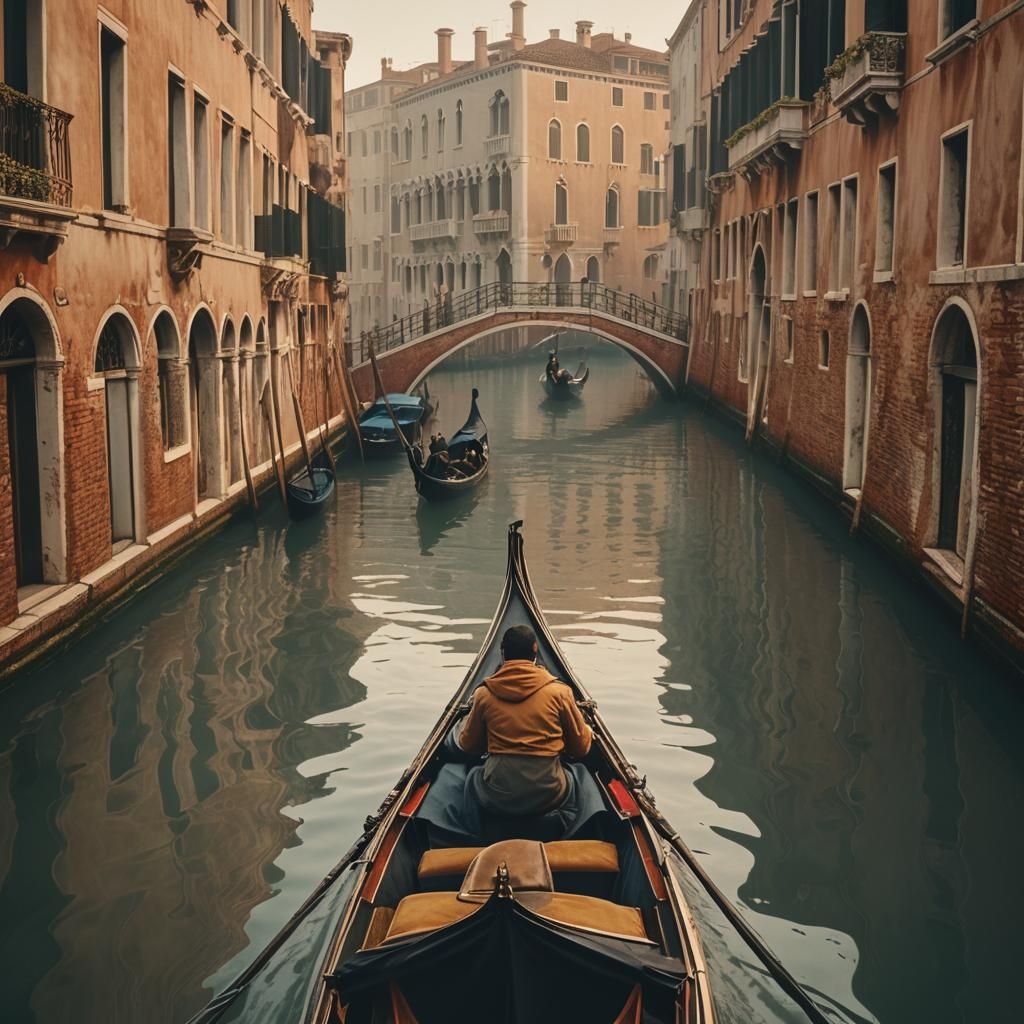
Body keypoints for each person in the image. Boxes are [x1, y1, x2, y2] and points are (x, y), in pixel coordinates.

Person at [454, 625, 592, 816]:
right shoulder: (560, 692)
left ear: (503, 652)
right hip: (550, 794)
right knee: (582, 775)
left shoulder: (483, 694)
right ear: (535, 649)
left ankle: (473, 831)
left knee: (470, 777)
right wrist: (586, 730)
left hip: (497, 794)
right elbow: (580, 749)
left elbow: (468, 746)